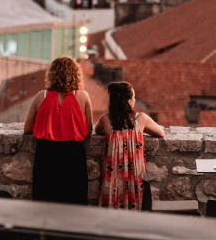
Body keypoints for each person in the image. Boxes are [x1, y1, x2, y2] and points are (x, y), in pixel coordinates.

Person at [23, 56, 95, 204]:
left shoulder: (40, 97)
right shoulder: (83, 96)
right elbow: (88, 131)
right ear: (76, 74)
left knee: (45, 201)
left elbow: (27, 129)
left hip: (46, 154)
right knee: (73, 201)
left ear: (52, 74)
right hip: (73, 155)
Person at [95, 81, 163, 210]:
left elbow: (98, 130)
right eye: (133, 97)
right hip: (136, 179)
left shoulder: (105, 120)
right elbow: (161, 132)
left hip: (112, 181)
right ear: (130, 101)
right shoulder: (141, 119)